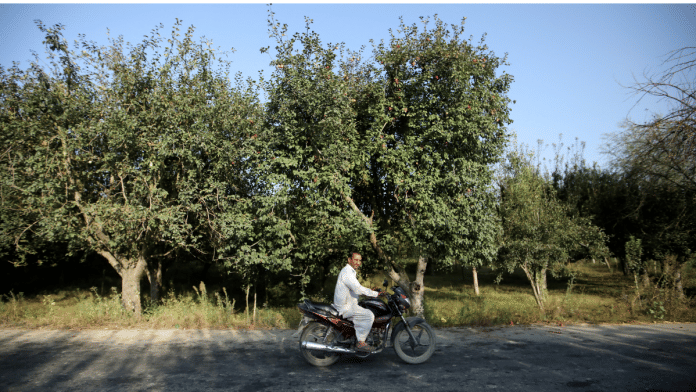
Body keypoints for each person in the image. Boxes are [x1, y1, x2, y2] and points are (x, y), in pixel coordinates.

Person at [332, 252, 382, 352]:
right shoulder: (347, 272)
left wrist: (370, 291)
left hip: (349, 305)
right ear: (349, 260)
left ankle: (359, 336)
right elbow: (358, 289)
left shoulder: (350, 271)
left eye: (360, 260)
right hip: (346, 307)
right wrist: (375, 294)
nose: (358, 262)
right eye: (355, 260)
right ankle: (361, 342)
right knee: (369, 315)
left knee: (365, 307)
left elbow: (355, 289)